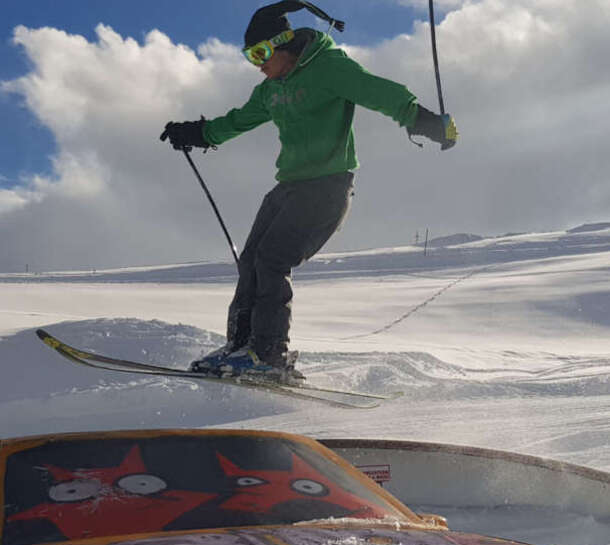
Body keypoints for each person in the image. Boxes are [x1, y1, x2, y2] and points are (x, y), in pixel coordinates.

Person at [159, 0, 457, 379]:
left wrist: (425, 121)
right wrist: (196, 133)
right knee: (250, 260)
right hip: (288, 186)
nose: (258, 63)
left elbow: (378, 91)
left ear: (284, 42)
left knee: (271, 260)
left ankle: (268, 354)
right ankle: (240, 347)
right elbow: (237, 121)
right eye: (250, 56)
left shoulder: (328, 66)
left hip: (327, 187)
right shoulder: (270, 91)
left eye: (262, 52)